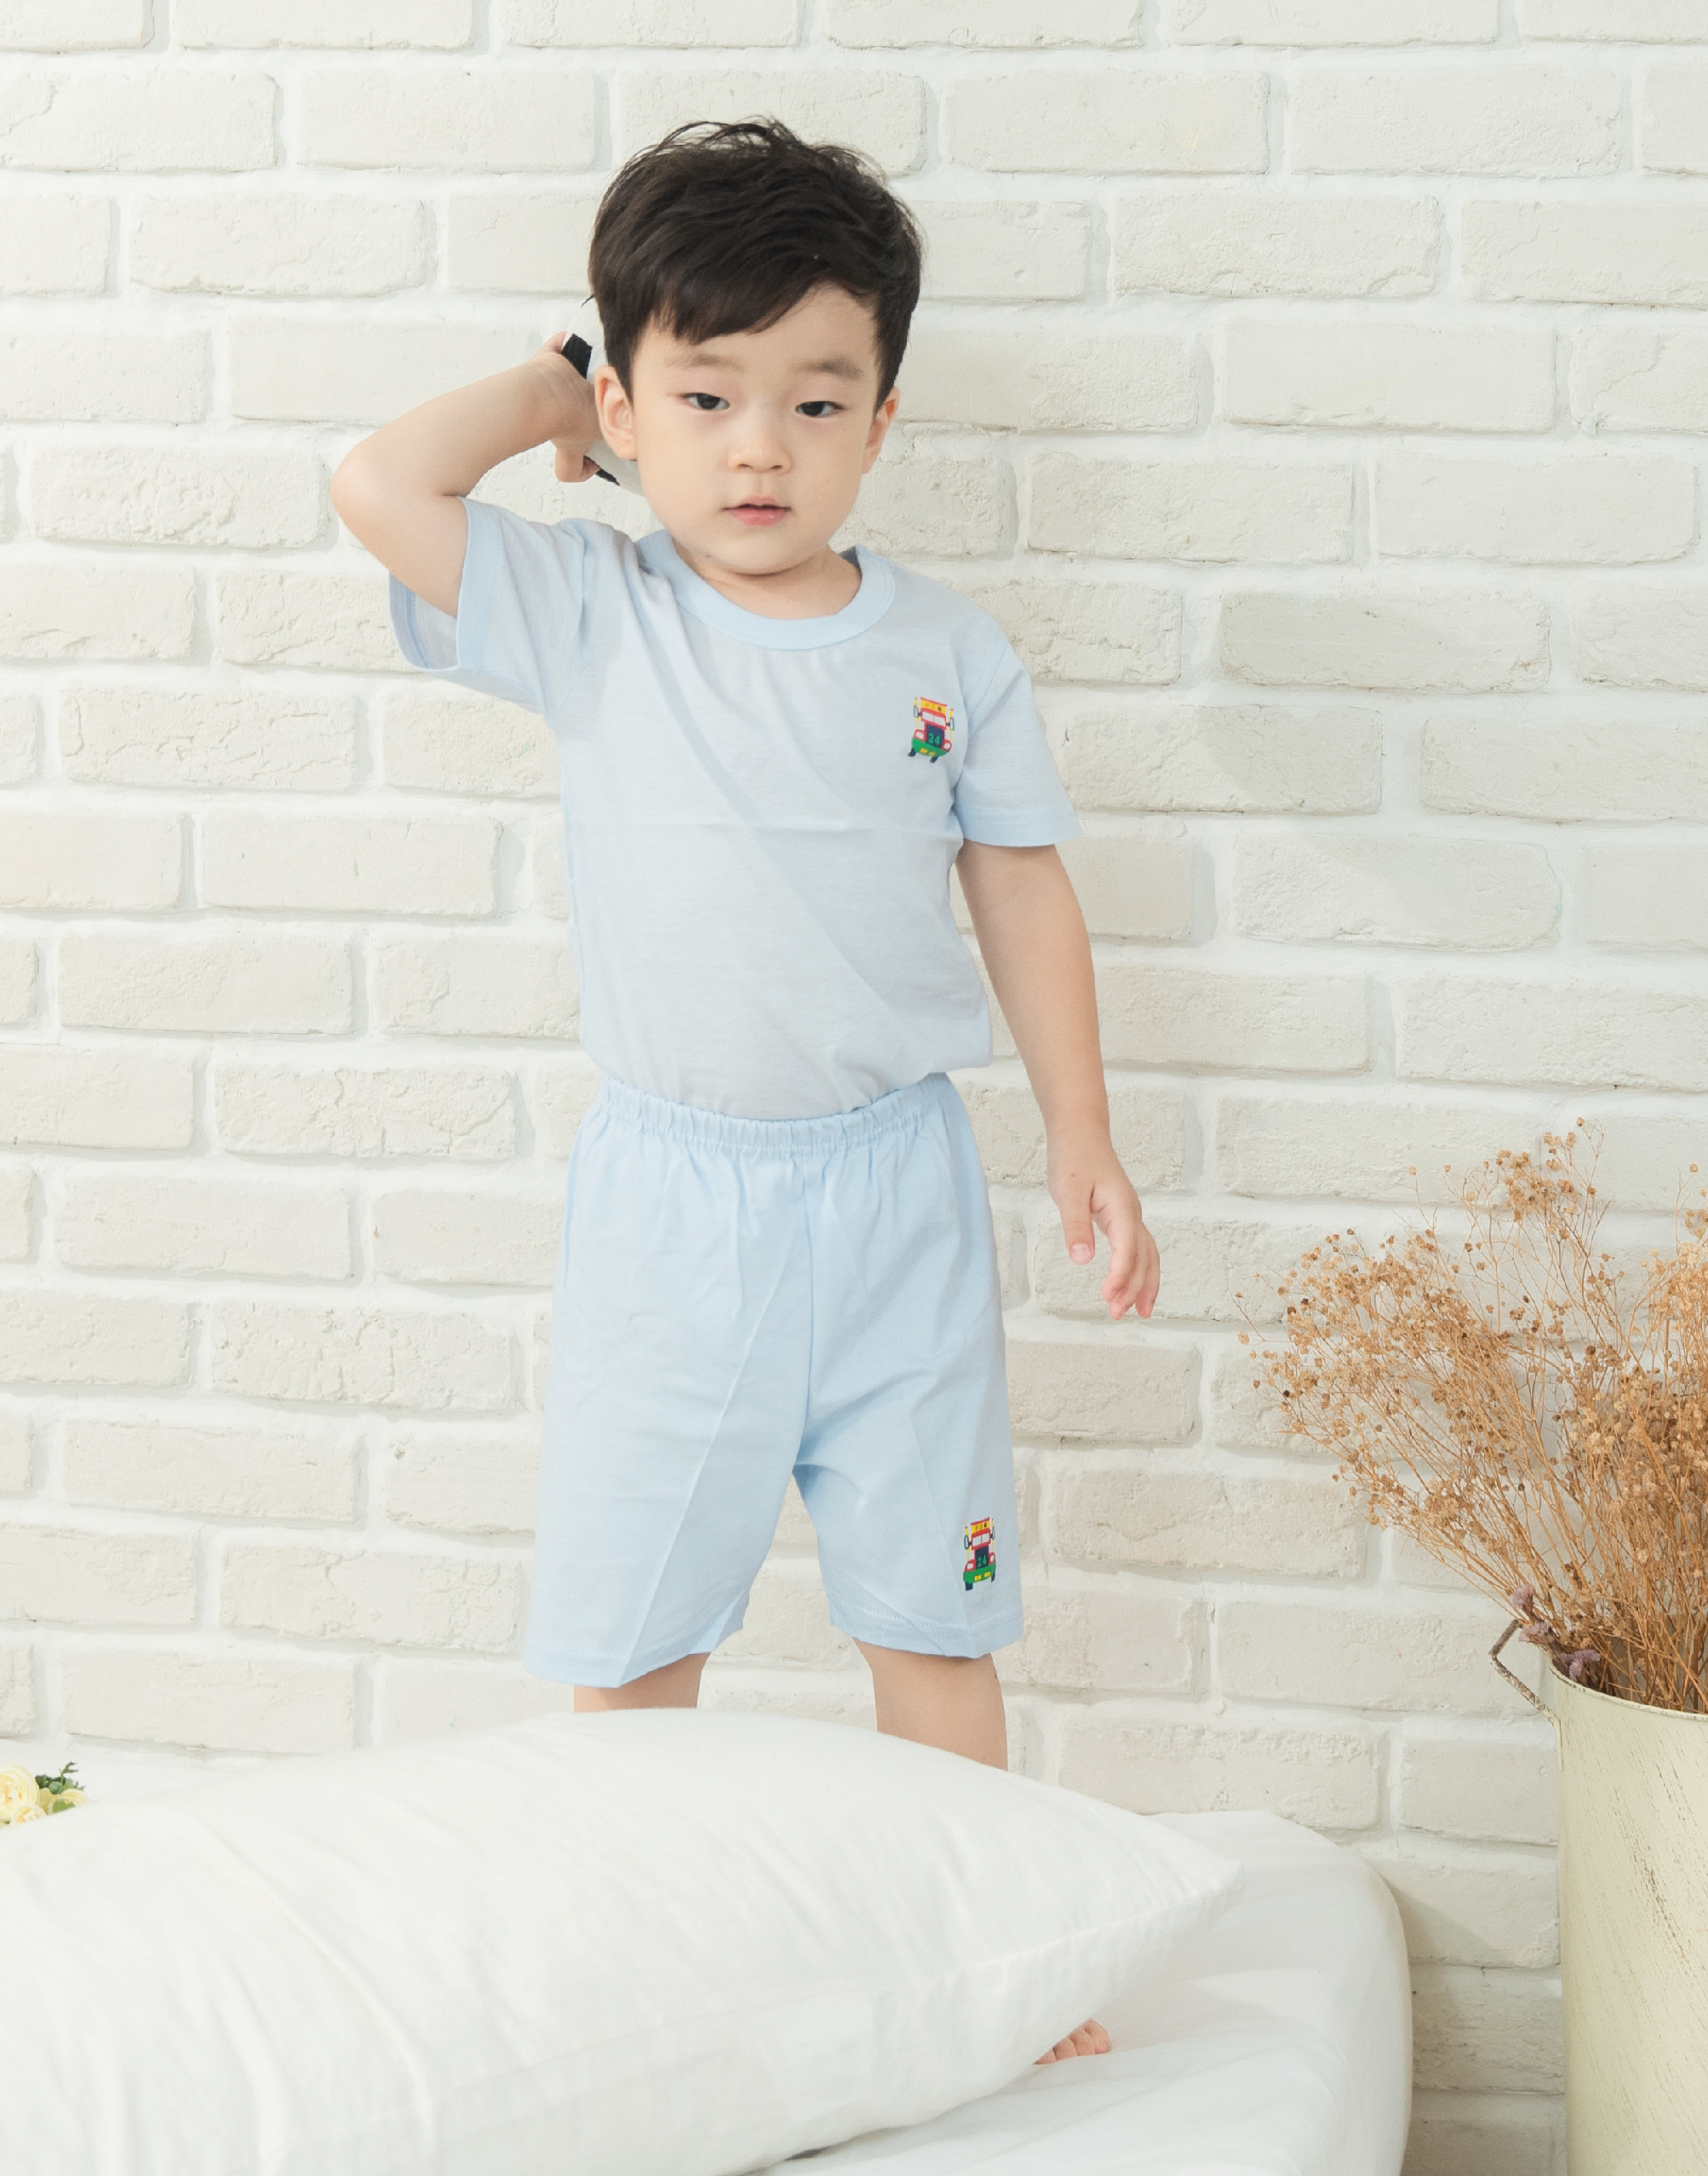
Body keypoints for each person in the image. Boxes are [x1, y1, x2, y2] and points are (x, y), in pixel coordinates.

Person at [331, 118, 1157, 2066]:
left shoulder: (945, 650)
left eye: (815, 398)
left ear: (882, 419)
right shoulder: (597, 613)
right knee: (635, 1634)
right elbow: (378, 482)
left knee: (934, 1619)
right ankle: (625, 1980)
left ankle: (996, 1969)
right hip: (672, 1208)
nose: (760, 447)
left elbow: (1019, 883)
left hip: (894, 1194)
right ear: (631, 411)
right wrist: (554, 390)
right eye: (704, 398)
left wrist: (1083, 1128)